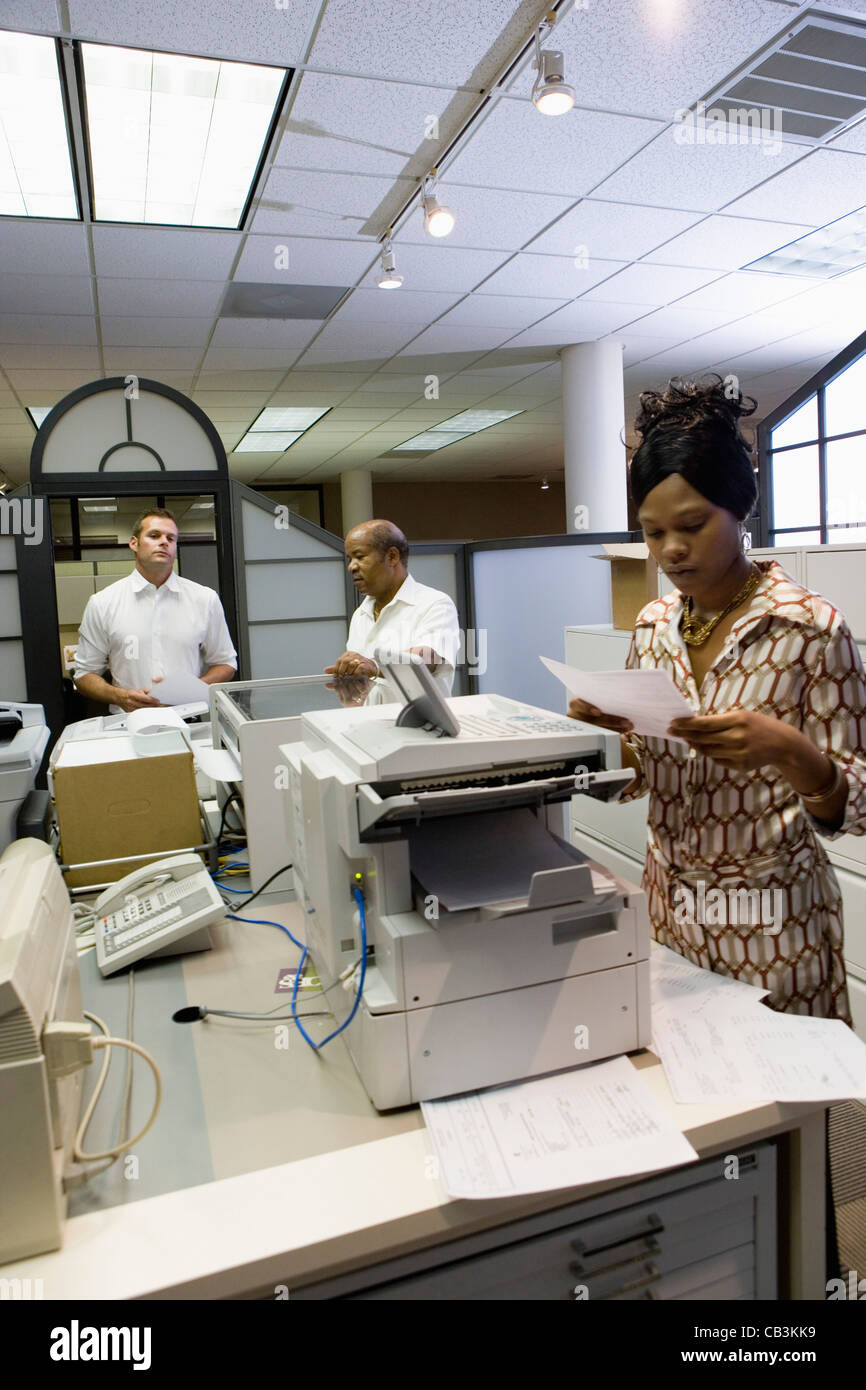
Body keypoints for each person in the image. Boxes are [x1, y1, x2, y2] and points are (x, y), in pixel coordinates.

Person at [568, 377, 866, 1026]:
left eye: (692, 526)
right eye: (652, 533)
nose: (671, 549)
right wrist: (606, 740)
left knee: (789, 1113)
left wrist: (795, 755)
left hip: (776, 920)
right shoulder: (652, 625)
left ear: (740, 511)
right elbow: (643, 773)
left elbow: (860, 804)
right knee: (693, 1100)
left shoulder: (810, 629)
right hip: (673, 909)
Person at [73, 508, 237, 715]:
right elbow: (84, 674)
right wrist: (119, 696)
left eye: (171, 538)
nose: (164, 542)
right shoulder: (103, 602)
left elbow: (226, 663)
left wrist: (187, 691)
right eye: (154, 535)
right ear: (134, 543)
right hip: (128, 724)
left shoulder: (205, 599)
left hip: (189, 721)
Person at [325, 519, 460, 704]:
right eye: (349, 559)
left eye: (359, 556)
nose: (351, 566)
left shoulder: (434, 603)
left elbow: (426, 659)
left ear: (392, 557)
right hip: (371, 726)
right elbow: (363, 681)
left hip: (420, 729)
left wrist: (373, 665)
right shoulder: (361, 614)